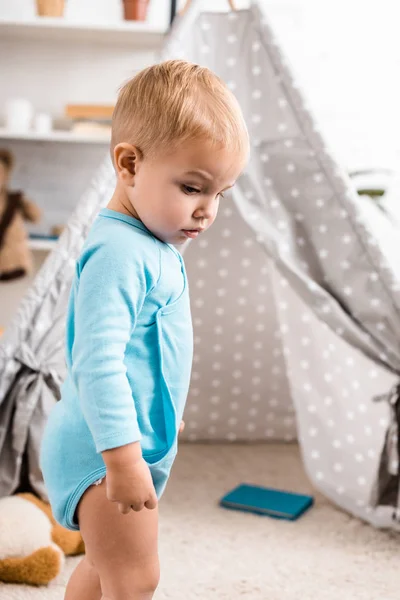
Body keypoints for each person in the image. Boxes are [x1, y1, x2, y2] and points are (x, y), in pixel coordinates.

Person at [40, 59, 249, 600]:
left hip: (120, 445)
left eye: (221, 193)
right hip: (102, 450)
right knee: (136, 577)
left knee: (106, 567)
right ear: (129, 164)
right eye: (192, 187)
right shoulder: (118, 252)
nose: (207, 211)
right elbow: (98, 361)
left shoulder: (152, 244)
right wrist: (123, 458)